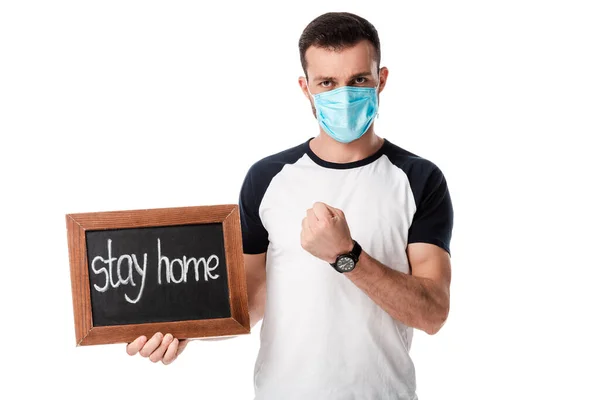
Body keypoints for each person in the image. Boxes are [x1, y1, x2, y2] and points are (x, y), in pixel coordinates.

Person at [126, 11, 454, 400]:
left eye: (358, 80)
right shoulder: (267, 178)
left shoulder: (419, 179)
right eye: (327, 83)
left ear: (381, 80)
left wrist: (346, 256)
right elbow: (254, 295)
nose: (342, 95)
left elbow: (432, 314)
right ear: (306, 87)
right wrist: (186, 328)